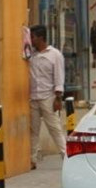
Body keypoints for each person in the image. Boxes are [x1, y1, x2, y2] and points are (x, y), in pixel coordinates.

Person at [28, 25, 67, 166]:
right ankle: (32, 159)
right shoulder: (31, 54)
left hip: (48, 97)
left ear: (41, 38)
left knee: (54, 129)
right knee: (33, 130)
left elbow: (59, 77)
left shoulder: (55, 55)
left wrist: (58, 98)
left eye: (33, 37)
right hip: (33, 97)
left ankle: (66, 157)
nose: (31, 40)